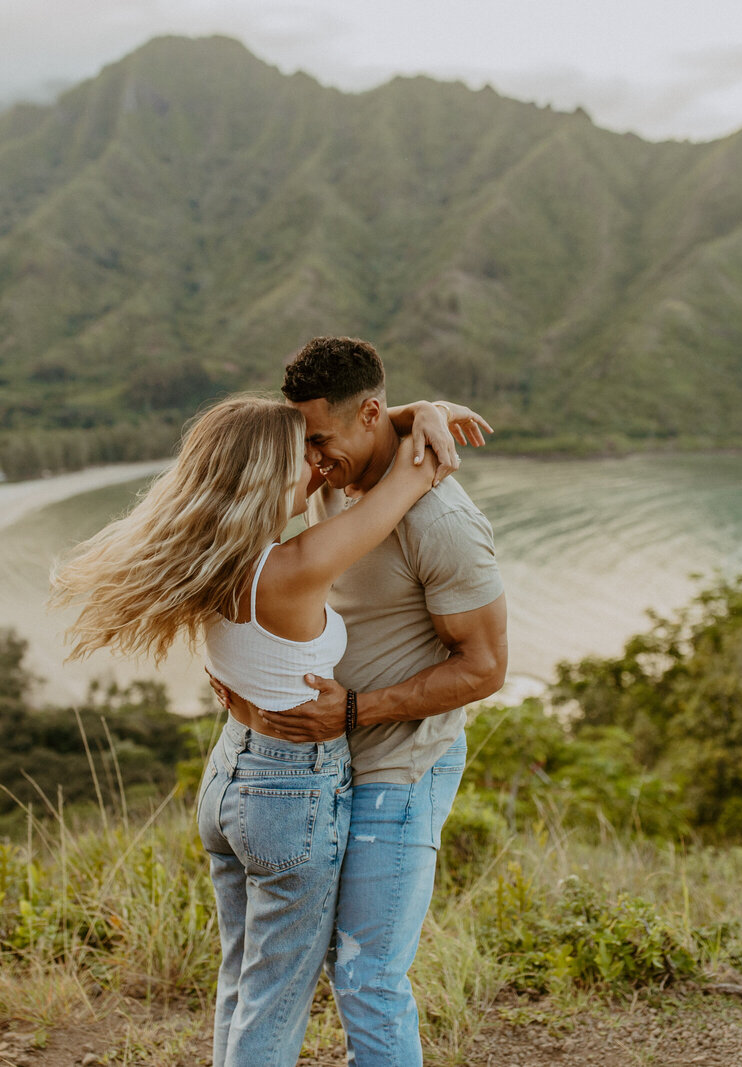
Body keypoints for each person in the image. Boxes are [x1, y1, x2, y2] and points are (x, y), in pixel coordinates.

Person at [50, 392, 476, 1067]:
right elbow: (411, 480)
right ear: (270, 478)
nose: (316, 463)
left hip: (230, 777)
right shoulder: (295, 566)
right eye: (302, 455)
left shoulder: (212, 559)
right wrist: (423, 415)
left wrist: (410, 407)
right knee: (276, 998)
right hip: (288, 795)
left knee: (244, 982)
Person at [213, 336, 508, 1066]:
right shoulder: (337, 471)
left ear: (368, 414)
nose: (309, 460)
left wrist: (351, 711)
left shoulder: (442, 522)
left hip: (400, 768)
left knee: (368, 976)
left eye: (318, 440)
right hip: (324, 765)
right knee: (270, 966)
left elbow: (487, 667)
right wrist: (420, 412)